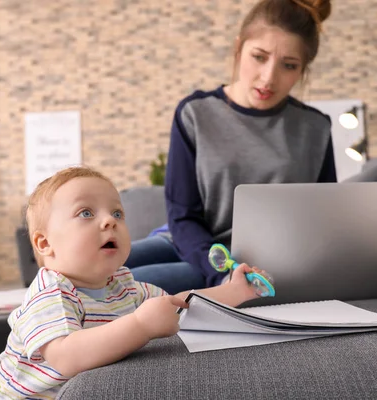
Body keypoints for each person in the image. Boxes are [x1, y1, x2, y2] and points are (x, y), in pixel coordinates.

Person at [0, 166, 269, 399]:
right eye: (86, 212)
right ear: (45, 244)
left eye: (117, 213)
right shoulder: (51, 291)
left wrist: (233, 290)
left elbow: (180, 301)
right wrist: (141, 326)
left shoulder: (122, 285)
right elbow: (67, 357)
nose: (109, 220)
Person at [126, 0, 336, 294]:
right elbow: (183, 216)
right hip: (187, 242)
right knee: (86, 271)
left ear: (303, 70)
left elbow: (324, 217)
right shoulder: (194, 113)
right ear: (239, 48)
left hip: (251, 264)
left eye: (289, 65)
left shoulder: (316, 129)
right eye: (259, 57)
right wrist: (219, 274)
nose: (268, 78)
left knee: (117, 290)